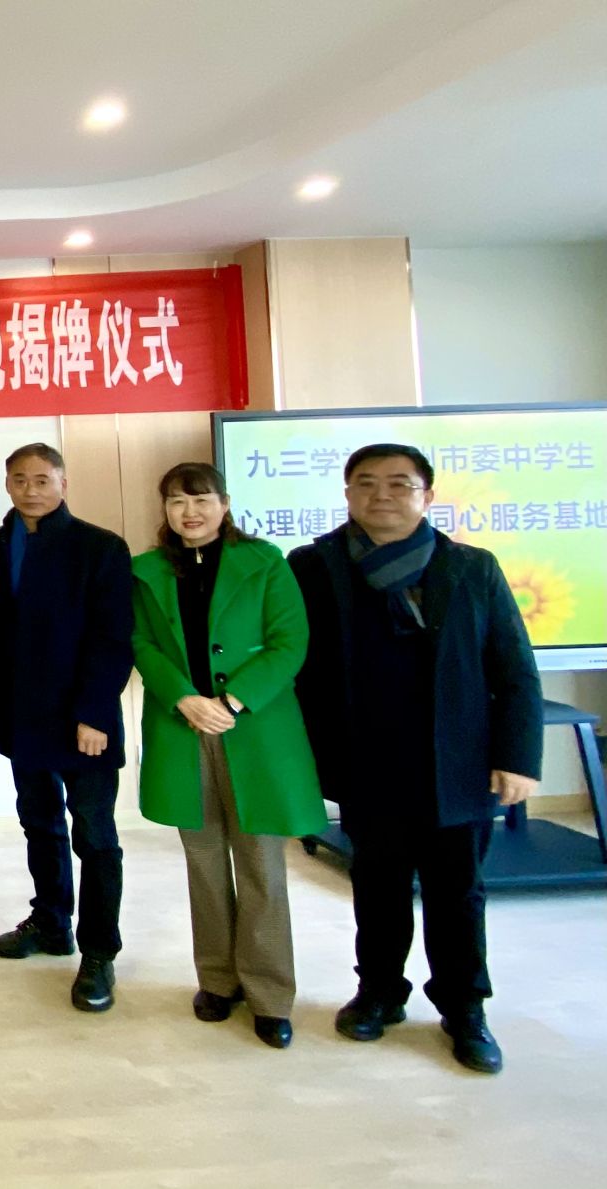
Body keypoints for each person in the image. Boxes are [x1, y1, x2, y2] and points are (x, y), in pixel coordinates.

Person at [290, 443, 541, 1074]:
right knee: (376, 887)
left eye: (399, 484)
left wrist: (518, 756)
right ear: (347, 494)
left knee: (458, 893)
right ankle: (379, 993)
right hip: (367, 759)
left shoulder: (471, 567)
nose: (382, 495)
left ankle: (465, 1008)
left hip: (457, 761)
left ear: (427, 496)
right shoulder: (315, 566)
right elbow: (296, 665)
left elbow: (514, 668)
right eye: (366, 483)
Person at [129, 463, 327, 1049]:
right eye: (177, 501)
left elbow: (290, 641)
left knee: (261, 862)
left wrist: (232, 701)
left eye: (201, 499)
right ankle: (217, 980)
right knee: (204, 862)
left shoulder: (264, 562)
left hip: (254, 731)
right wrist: (184, 698)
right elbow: (140, 641)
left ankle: (270, 995)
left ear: (224, 503)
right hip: (182, 728)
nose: (189, 512)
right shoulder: (146, 570)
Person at [0, 442, 134, 1012]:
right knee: (39, 823)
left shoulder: (100, 547)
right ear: (8, 484)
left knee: (95, 837)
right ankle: (50, 922)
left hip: (83, 721)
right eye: (20, 480)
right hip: (23, 717)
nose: (31, 490)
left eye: (42, 479)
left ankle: (99, 952)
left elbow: (113, 638)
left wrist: (94, 712)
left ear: (63, 483)